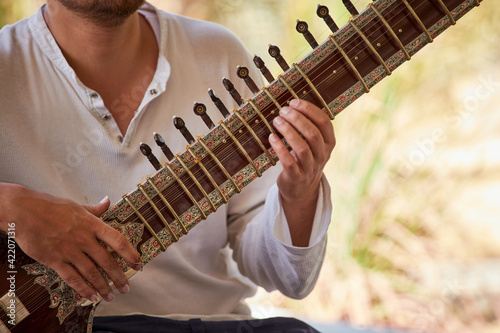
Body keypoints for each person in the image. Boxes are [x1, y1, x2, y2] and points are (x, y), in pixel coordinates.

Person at [0, 0, 335, 331]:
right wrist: (9, 207)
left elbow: (288, 278)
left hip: (213, 325)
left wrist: (298, 196)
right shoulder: (6, 64)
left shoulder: (217, 52)